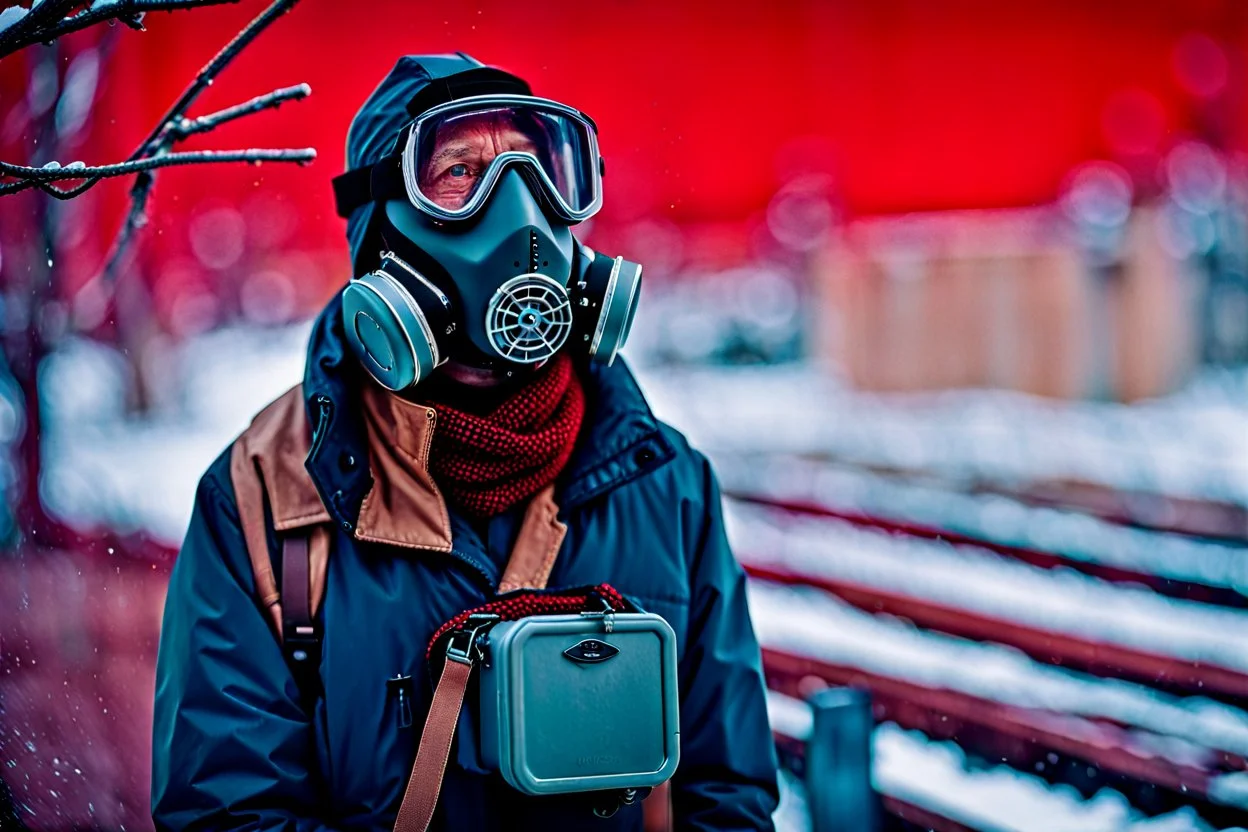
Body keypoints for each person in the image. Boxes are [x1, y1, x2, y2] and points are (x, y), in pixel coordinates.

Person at [151, 53, 779, 831]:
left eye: (535, 169)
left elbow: (727, 797)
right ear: (380, 235)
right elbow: (229, 813)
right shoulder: (263, 497)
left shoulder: (667, 483)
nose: (519, 213)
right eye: (459, 173)